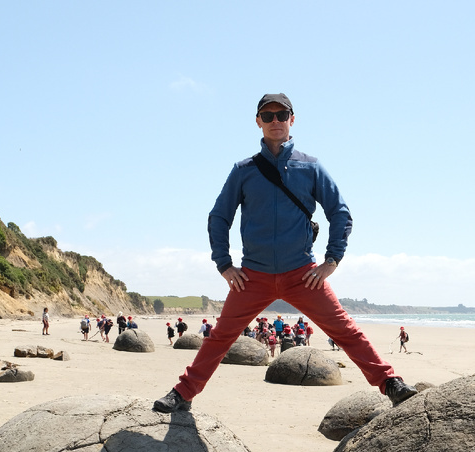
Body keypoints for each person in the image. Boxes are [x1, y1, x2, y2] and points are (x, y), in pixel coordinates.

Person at [153, 92, 416, 413]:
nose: (275, 120)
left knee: (345, 331)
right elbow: (218, 217)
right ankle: (183, 393)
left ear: (292, 119)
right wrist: (224, 264)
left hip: (301, 274)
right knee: (220, 337)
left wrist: (331, 261)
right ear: (258, 122)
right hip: (253, 275)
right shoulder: (244, 170)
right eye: (268, 115)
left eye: (282, 115)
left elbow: (341, 213)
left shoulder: (310, 167)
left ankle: (390, 384)